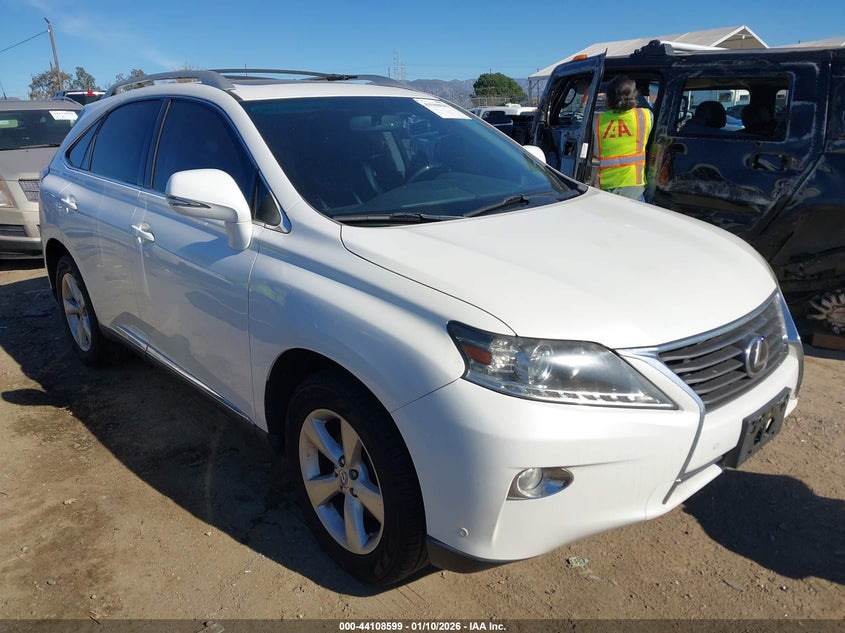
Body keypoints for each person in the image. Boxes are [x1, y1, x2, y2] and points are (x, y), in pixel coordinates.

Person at [592, 75, 653, 200]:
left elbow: (579, 123)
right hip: (635, 188)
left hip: (605, 188)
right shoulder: (645, 116)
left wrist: (586, 99)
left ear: (608, 99)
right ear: (634, 96)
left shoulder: (596, 121)